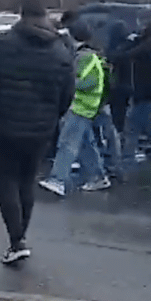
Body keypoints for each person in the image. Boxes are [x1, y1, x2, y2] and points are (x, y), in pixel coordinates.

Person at [0, 0, 74, 264]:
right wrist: (51, 116)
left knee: (6, 182)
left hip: (6, 124)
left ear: (20, 14)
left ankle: (16, 240)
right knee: (27, 182)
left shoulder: (1, 46)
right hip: (41, 129)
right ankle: (20, 237)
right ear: (45, 16)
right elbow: (67, 94)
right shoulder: (60, 51)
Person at [38, 19, 110, 197]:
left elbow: (79, 82)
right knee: (86, 145)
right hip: (87, 107)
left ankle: (58, 180)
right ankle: (97, 177)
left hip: (80, 107)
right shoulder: (90, 55)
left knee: (67, 144)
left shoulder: (84, 57)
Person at [113, 13, 151, 181]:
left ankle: (126, 168)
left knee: (131, 131)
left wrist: (129, 41)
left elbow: (124, 56)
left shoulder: (149, 44)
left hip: (145, 94)